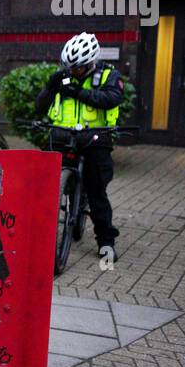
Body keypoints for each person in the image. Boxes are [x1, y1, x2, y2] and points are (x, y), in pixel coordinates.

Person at [35, 31, 125, 260]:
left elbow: (112, 98)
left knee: (97, 193)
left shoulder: (108, 75)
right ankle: (37, 235)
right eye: (69, 68)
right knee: (42, 186)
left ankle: (106, 242)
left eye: (77, 68)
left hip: (96, 140)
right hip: (63, 137)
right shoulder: (62, 76)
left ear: (91, 62)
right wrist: (48, 88)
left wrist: (79, 93)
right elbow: (40, 107)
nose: (72, 72)